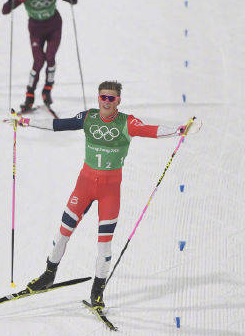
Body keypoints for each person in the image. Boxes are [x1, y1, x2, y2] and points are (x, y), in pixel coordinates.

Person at [10, 81, 191, 310]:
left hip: (109, 192)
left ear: (118, 101)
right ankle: (48, 276)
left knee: (104, 246)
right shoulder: (89, 118)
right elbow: (59, 124)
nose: (106, 102)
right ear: (98, 98)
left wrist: (179, 129)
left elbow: (151, 130)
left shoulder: (127, 122)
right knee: (63, 232)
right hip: (83, 186)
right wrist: (25, 121)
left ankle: (97, 292)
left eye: (111, 98)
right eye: (103, 97)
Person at [2, 0, 77, 112]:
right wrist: (10, 1)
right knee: (38, 61)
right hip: (36, 29)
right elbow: (5, 11)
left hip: (54, 26)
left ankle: (47, 90)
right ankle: (29, 96)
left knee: (50, 57)